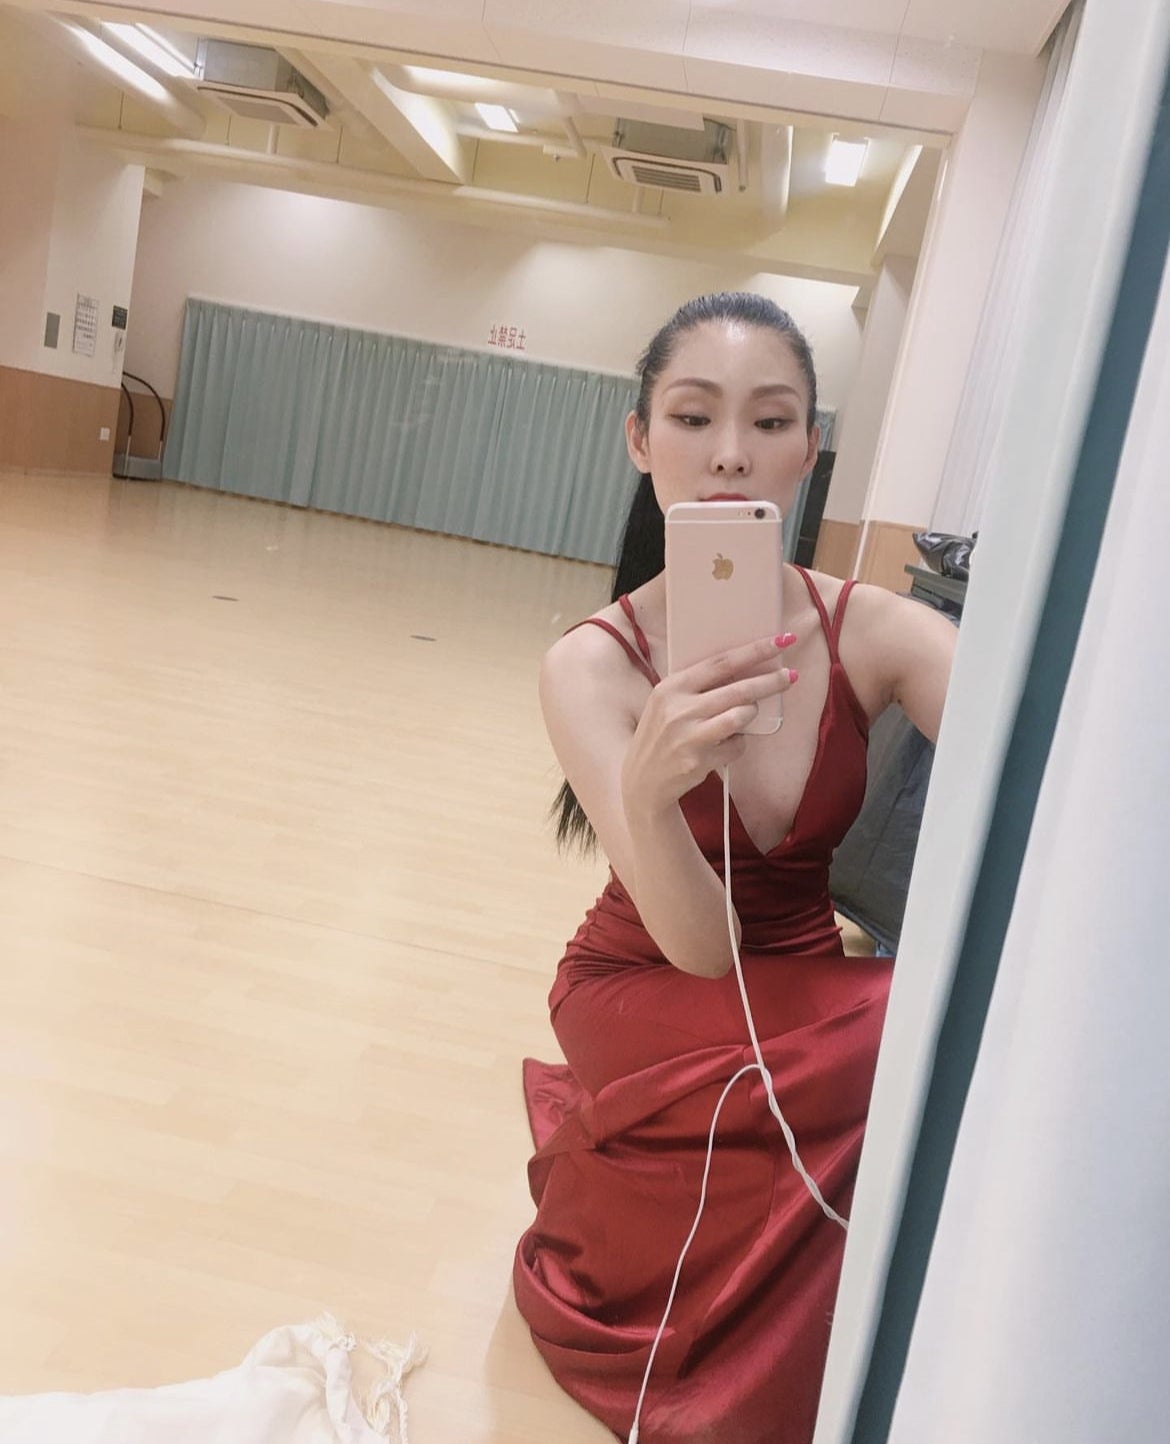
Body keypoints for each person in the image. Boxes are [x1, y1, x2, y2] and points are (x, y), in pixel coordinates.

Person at [512, 293, 955, 1444]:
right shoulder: (592, 665)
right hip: (647, 974)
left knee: (928, 1019)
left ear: (809, 449)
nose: (728, 454)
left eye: (769, 421)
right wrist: (652, 786)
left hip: (804, 977)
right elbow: (703, 950)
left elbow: (1039, 756)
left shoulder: (871, 631)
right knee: (902, 1022)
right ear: (640, 439)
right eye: (693, 415)